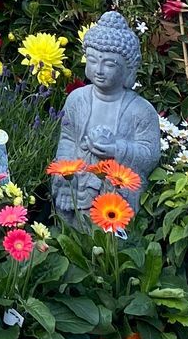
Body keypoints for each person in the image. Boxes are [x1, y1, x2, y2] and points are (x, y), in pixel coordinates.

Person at [52, 11, 162, 223]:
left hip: (117, 189)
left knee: (111, 231)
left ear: (129, 69)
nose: (99, 70)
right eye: (93, 60)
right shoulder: (77, 99)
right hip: (77, 183)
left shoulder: (141, 110)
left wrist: (117, 149)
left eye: (110, 64)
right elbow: (67, 139)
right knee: (70, 226)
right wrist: (65, 178)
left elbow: (150, 154)